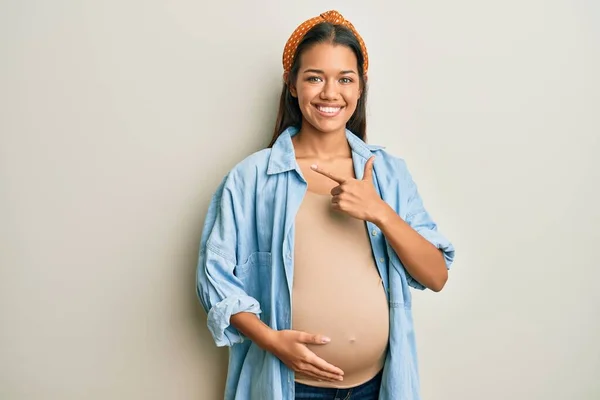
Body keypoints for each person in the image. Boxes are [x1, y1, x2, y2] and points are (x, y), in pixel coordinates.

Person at [196, 10, 455, 400]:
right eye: (315, 77)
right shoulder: (251, 179)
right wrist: (271, 341)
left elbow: (436, 276)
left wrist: (380, 212)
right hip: (290, 387)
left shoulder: (387, 174)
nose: (330, 93)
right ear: (292, 85)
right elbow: (215, 280)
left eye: (345, 79)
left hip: (377, 386)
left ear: (360, 87)